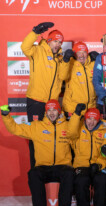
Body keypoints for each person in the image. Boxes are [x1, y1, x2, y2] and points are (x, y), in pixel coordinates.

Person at [1, 100, 73, 206]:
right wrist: (6, 115)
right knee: (33, 173)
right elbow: (15, 129)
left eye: (54, 110)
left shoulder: (68, 127)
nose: (51, 113)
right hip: (43, 166)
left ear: (59, 111)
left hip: (62, 166)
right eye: (49, 110)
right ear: (46, 112)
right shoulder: (37, 126)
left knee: (69, 173)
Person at [21, 22, 70, 168]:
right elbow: (24, 47)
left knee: (50, 136)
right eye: (55, 41)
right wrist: (35, 32)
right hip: (36, 101)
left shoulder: (59, 57)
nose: (58, 44)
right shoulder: (38, 51)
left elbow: (63, 76)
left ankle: (49, 170)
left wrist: (66, 61)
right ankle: (36, 169)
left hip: (52, 104)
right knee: (35, 137)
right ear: (49, 40)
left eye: (60, 42)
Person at [67, 104, 106, 206]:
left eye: (94, 119)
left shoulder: (105, 130)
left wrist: (100, 164)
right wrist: (76, 115)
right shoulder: (78, 129)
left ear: (98, 120)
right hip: (81, 164)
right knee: (81, 181)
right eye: (89, 119)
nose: (91, 122)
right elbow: (70, 132)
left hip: (98, 164)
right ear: (85, 119)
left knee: (101, 180)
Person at [62, 42, 99, 118]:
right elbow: (62, 76)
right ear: (74, 54)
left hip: (90, 108)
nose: (81, 55)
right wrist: (65, 60)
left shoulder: (93, 64)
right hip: (72, 108)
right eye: (79, 52)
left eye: (84, 52)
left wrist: (99, 58)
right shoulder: (69, 64)